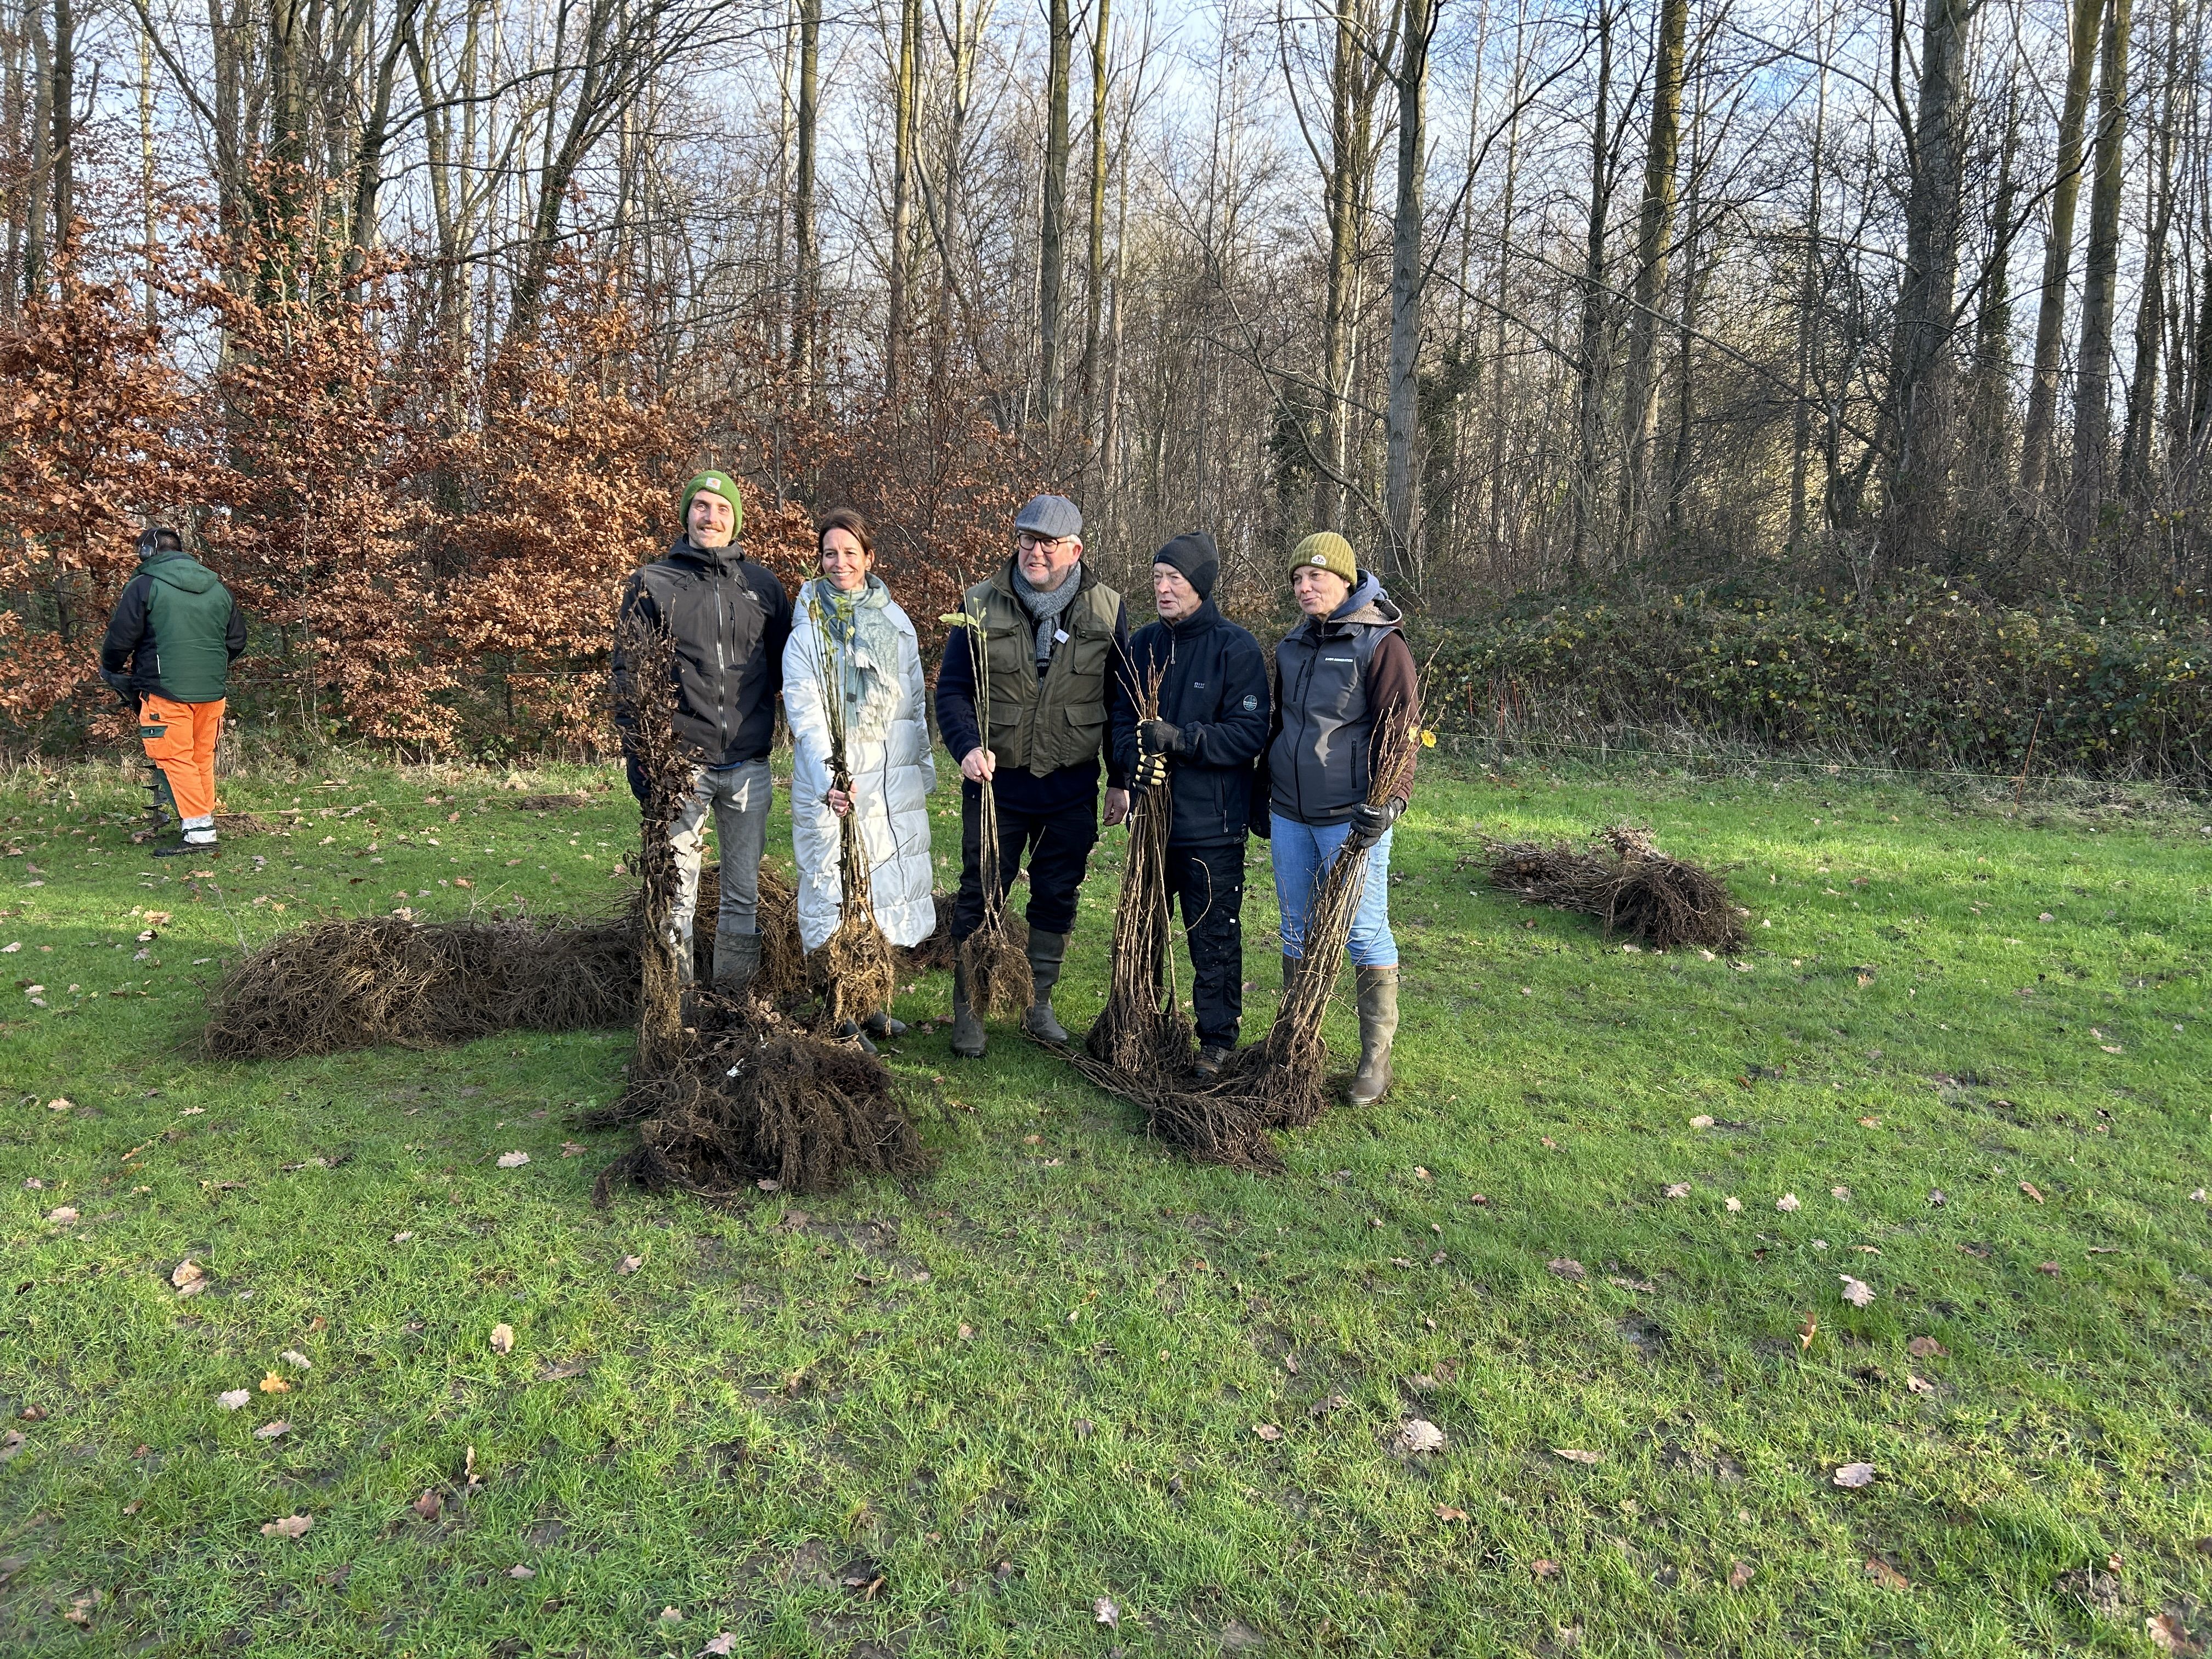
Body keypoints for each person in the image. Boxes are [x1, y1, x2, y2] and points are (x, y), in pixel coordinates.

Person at [934, 492, 1135, 1058]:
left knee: (1057, 894)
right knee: (981, 894)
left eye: (1048, 543)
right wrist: (967, 747)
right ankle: (970, 1008)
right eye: (1027, 539)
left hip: (1071, 785)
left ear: (1075, 549)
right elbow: (952, 691)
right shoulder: (979, 604)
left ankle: (1037, 1003)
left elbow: (1122, 699)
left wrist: (1120, 778)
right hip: (997, 786)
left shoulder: (1108, 609)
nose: (1035, 552)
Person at [612, 469, 793, 991]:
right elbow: (628, 676)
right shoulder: (652, 583)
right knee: (677, 895)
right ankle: (676, 1007)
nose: (711, 517)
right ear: (686, 513)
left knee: (743, 892)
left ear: (735, 520)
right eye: (701, 506)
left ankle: (733, 1001)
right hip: (679, 765)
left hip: (748, 764)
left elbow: (790, 669)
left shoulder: (763, 587)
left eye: (722, 509)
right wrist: (642, 759)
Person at [1262, 530, 1416, 1104]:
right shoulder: (1292, 645)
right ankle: (1296, 1044)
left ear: (1347, 582)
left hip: (1352, 818)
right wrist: (1265, 795)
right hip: (1290, 813)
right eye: (1298, 579)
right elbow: (1282, 727)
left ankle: (1375, 1064)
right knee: (1297, 927)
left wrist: (1389, 804)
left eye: (1317, 577)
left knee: (1362, 929)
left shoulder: (1381, 645)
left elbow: (1402, 737)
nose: (1305, 587)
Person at [1112, 532, 1270, 1079]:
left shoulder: (1236, 648)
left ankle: (1217, 1041)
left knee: (1214, 936)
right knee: (1145, 927)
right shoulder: (1142, 646)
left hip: (1212, 826)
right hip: (1153, 824)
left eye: (1173, 579)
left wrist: (1183, 740)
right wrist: (1135, 758)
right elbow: (1119, 719)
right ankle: (1143, 1022)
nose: (1162, 588)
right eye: (1157, 578)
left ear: (1199, 584)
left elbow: (1249, 734)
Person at [783, 509, 936, 1040]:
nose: (840, 562)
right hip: (833, 787)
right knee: (831, 890)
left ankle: (867, 998)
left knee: (873, 894)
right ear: (819, 559)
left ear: (870, 558)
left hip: (884, 784)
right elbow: (806, 715)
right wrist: (832, 776)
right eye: (830, 553)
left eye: (851, 552)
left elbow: (912, 705)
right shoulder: (808, 630)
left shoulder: (896, 625)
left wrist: (921, 769)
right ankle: (836, 1011)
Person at [99, 526, 247, 858]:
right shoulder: (218, 589)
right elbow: (236, 641)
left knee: (173, 758)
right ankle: (201, 824)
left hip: (165, 689)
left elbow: (121, 638)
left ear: (147, 553)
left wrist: (111, 668)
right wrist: (209, 667)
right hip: (212, 691)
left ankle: (198, 834)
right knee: (200, 758)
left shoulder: (144, 585)